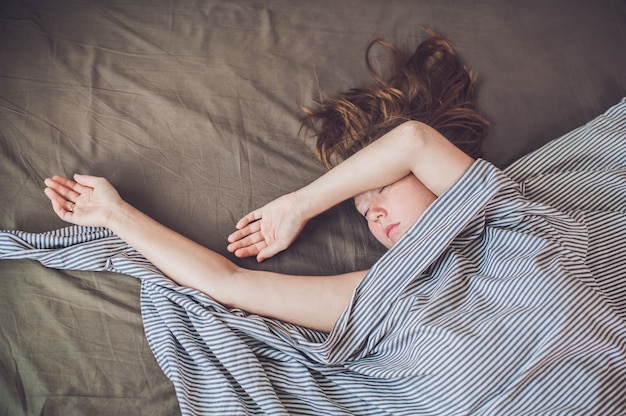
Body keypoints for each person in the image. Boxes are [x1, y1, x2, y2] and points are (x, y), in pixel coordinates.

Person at [42, 34, 487, 333]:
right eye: (363, 210)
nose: (374, 214)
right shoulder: (382, 292)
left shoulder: (498, 213)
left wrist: (299, 206)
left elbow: (413, 141)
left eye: (383, 190)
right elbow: (231, 284)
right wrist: (114, 215)